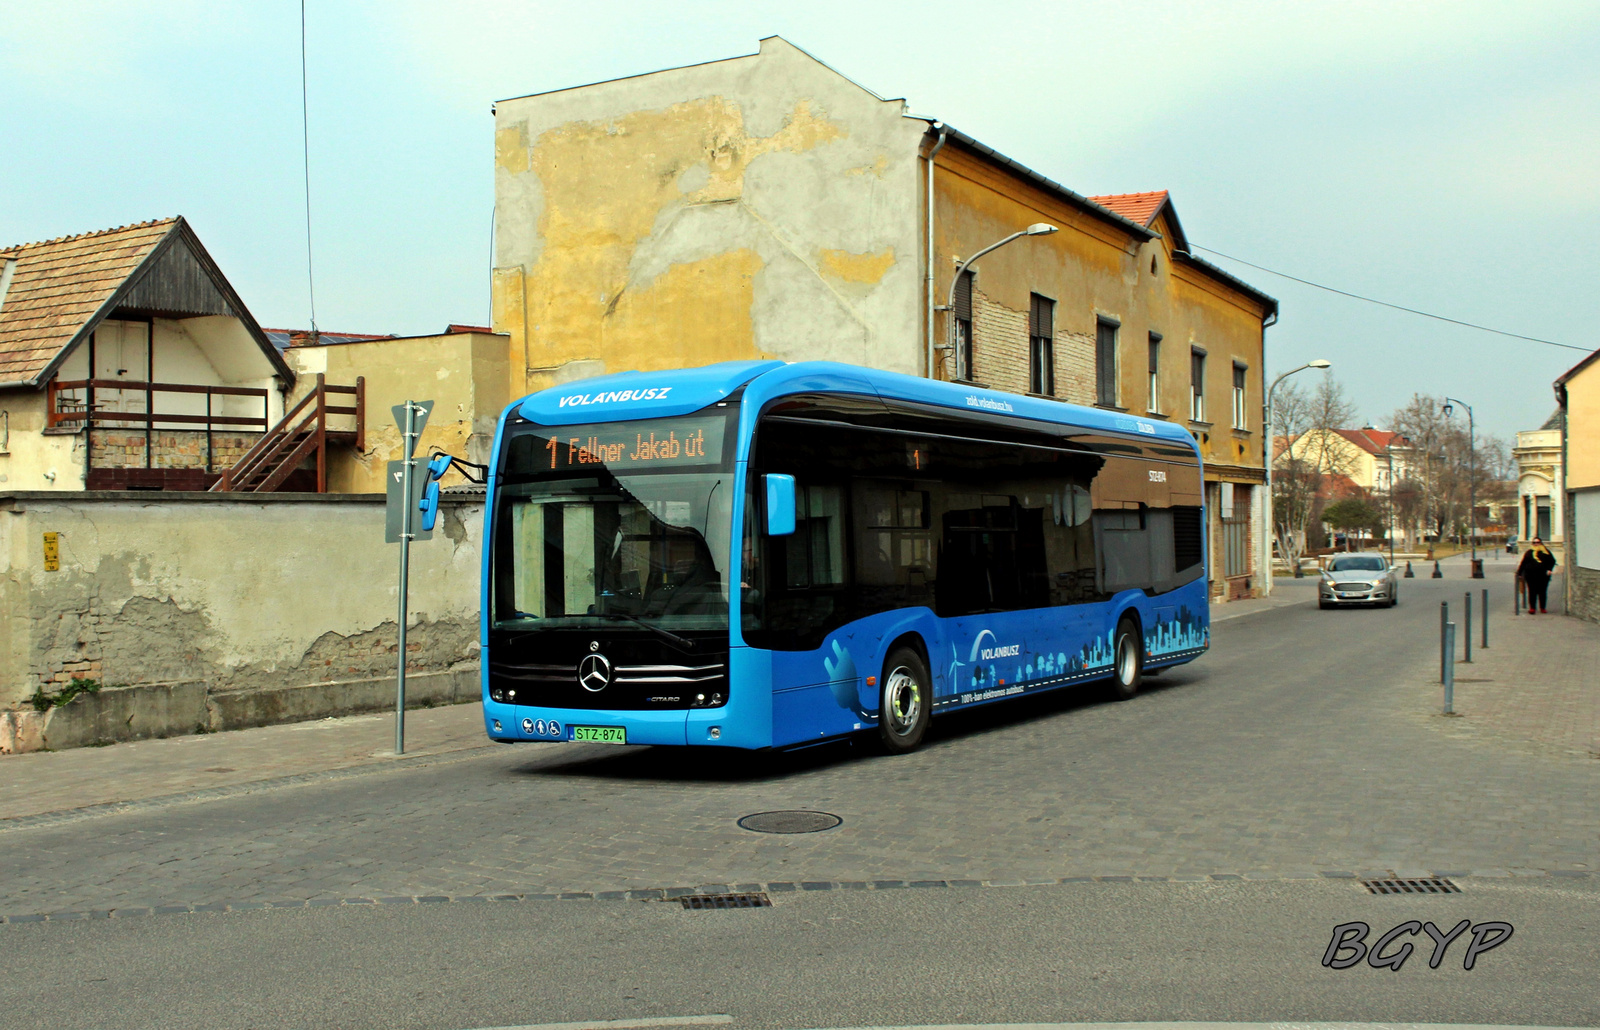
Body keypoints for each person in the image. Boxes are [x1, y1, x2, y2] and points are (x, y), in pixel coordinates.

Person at [1517, 537, 1557, 614]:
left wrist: (1549, 569)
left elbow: (1552, 561)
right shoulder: (1529, 552)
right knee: (1532, 591)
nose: (1536, 544)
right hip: (1530, 575)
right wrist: (1519, 572)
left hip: (1543, 575)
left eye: (1538, 542)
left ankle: (1542, 607)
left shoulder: (1546, 552)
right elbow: (1524, 563)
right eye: (1534, 542)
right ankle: (1532, 608)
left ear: (1541, 543)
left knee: (1542, 591)